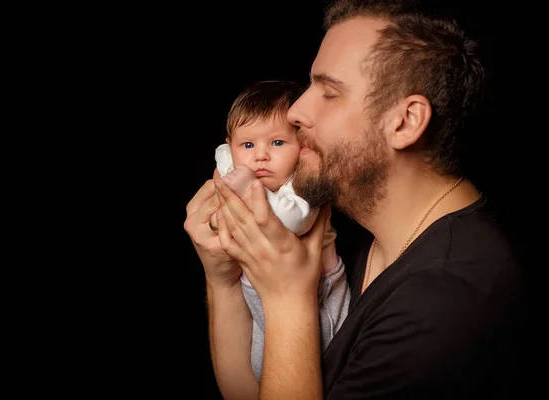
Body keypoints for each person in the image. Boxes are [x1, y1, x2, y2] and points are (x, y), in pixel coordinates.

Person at [184, 0, 526, 398]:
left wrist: (287, 298)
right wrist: (222, 279)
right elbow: (249, 391)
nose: (295, 111)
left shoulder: (443, 302)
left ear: (404, 122)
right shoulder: (349, 227)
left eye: (328, 92)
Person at [210, 79, 350, 382]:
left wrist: (248, 188)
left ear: (302, 147)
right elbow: (223, 153)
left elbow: (294, 222)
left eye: (277, 143)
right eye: (248, 145)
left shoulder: (303, 183)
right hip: (258, 288)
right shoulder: (234, 161)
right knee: (264, 369)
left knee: (322, 368)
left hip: (319, 293)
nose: (260, 156)